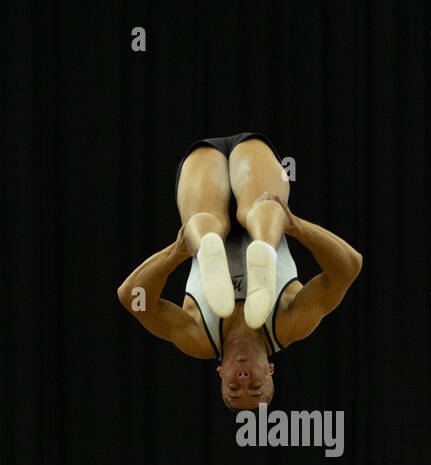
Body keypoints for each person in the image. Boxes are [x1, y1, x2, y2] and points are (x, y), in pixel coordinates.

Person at [118, 132, 363, 410]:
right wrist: (295, 226)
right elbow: (348, 268)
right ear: (270, 369)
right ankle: (266, 250)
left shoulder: (198, 338)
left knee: (204, 221)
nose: (243, 378)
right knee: (263, 209)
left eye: (234, 387)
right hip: (258, 187)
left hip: (203, 193)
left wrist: (175, 254)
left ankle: (206, 248)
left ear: (220, 372)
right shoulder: (290, 323)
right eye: (255, 387)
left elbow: (132, 298)